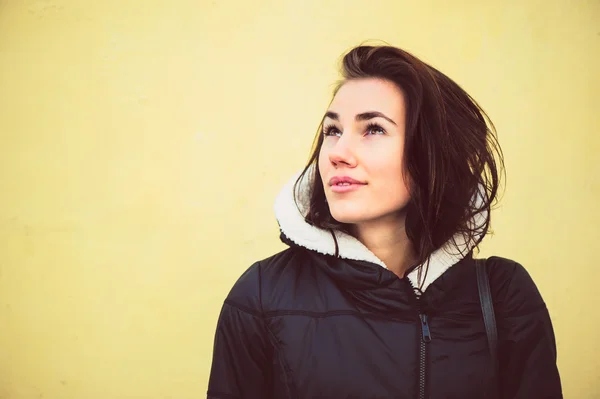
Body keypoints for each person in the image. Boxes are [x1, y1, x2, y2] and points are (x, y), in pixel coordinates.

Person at [207, 44, 562, 398]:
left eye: (373, 129)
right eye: (333, 131)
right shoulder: (262, 296)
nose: (338, 154)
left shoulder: (503, 297)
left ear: (432, 153)